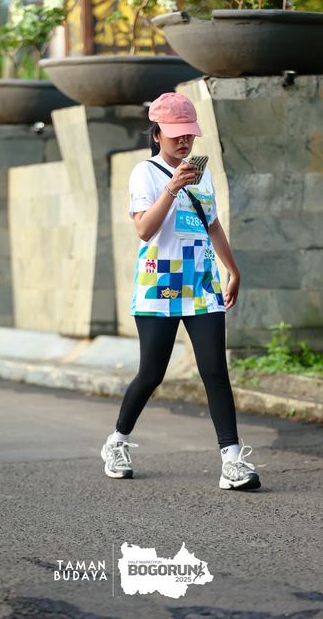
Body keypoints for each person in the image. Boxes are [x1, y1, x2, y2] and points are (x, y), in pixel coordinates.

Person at [100, 92, 261, 491]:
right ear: (156, 134)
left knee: (215, 370)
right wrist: (171, 188)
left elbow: (212, 224)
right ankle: (117, 441)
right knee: (152, 373)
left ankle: (232, 461)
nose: (184, 140)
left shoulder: (201, 174)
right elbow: (144, 230)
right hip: (160, 285)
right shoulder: (145, 174)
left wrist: (233, 269)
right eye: (176, 134)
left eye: (189, 133)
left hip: (201, 285)